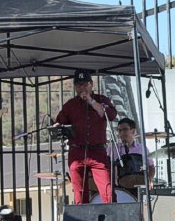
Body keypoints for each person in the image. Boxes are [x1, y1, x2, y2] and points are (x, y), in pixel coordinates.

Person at [55, 70, 118, 204]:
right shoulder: (70, 105)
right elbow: (60, 122)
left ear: (91, 84)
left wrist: (91, 101)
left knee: (108, 193)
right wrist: (56, 125)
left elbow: (111, 115)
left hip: (98, 152)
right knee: (79, 195)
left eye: (85, 85)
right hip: (77, 153)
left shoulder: (101, 100)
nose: (82, 88)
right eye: (78, 85)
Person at [109, 117, 155, 199]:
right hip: (117, 188)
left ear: (133, 131)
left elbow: (151, 167)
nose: (122, 133)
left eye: (125, 129)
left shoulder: (142, 149)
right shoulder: (113, 148)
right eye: (119, 130)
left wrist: (150, 179)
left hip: (138, 187)